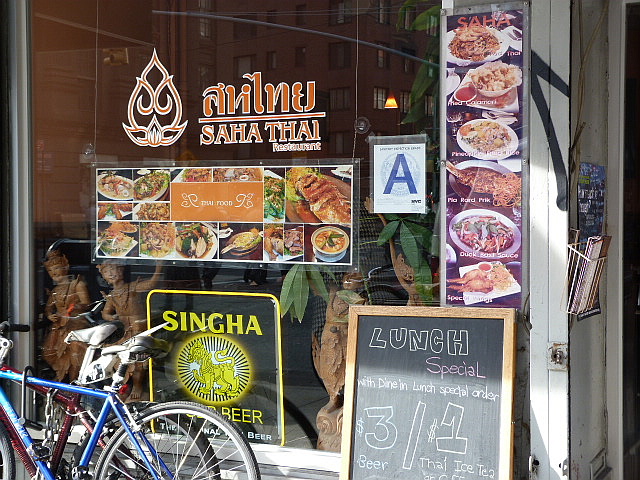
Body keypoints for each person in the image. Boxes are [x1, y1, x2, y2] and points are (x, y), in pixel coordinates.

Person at [97, 261, 163, 400]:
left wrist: (158, 267)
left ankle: (138, 386)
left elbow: (151, 284)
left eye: (113, 269)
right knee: (121, 361)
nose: (111, 274)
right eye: (107, 272)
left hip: (140, 329)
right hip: (125, 331)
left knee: (139, 361)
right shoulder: (112, 295)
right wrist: (111, 317)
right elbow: (105, 313)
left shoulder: (133, 287)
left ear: (121, 270)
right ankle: (125, 386)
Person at [43, 250, 91, 381]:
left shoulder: (77, 285)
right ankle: (61, 376)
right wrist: (50, 315)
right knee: (49, 352)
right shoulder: (55, 291)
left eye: (56, 268)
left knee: (74, 354)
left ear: (66, 267)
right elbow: (48, 309)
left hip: (75, 324)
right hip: (59, 326)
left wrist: (74, 308)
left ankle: (72, 382)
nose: (54, 273)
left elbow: (87, 304)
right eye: (50, 271)